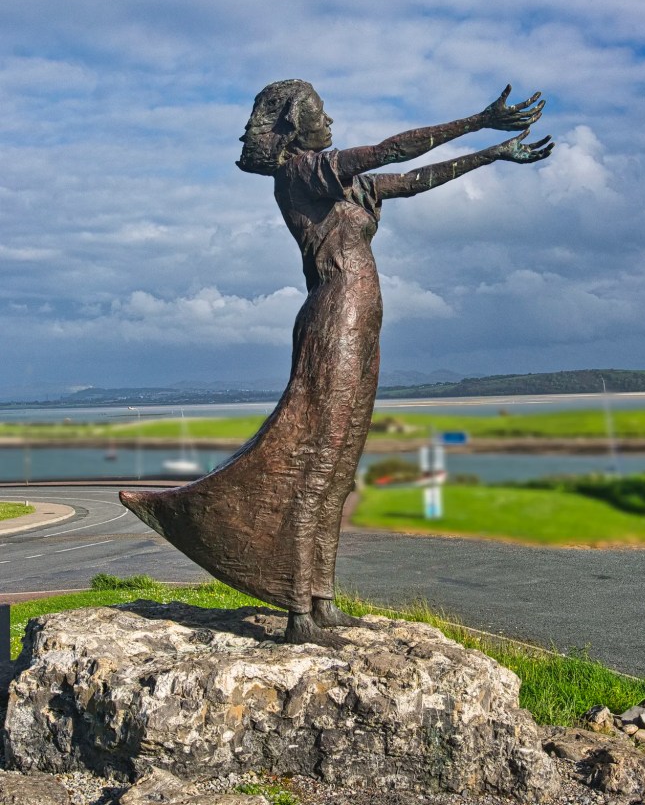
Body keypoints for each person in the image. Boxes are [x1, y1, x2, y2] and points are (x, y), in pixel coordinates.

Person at [120, 80, 552, 645]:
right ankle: (298, 609)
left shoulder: (343, 186)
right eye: (319, 114)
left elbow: (414, 179)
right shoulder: (302, 173)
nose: (330, 122)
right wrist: (477, 121)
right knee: (316, 463)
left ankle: (321, 598)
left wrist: (493, 154)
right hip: (336, 316)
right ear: (293, 128)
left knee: (340, 469)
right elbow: (391, 150)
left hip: (362, 321)